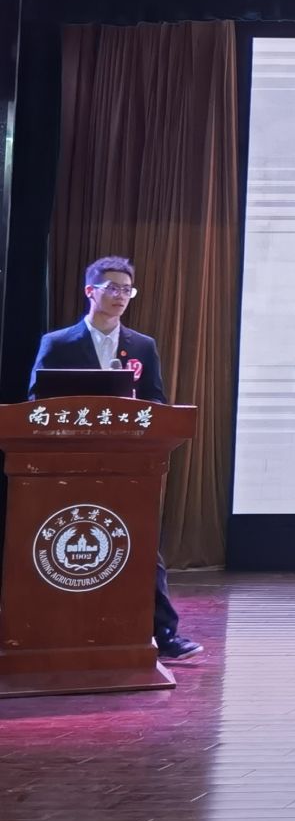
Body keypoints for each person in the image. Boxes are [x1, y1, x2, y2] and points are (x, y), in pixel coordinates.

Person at [28, 256, 203, 661]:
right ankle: (52, 628)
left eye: (127, 289)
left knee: (141, 545)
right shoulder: (58, 343)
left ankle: (164, 634)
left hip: (129, 464)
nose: (121, 296)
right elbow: (36, 402)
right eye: (112, 288)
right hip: (68, 465)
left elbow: (156, 400)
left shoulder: (142, 346)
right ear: (91, 291)